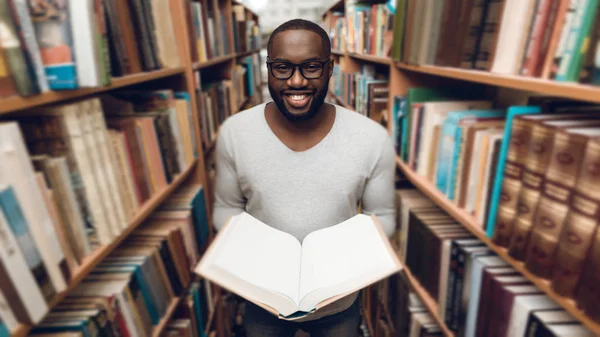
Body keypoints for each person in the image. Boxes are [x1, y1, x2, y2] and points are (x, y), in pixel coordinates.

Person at [212, 18, 396, 337]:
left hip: (339, 303)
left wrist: (349, 265)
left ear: (330, 68)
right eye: (282, 67)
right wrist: (252, 260)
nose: (296, 82)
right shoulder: (235, 133)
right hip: (263, 302)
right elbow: (226, 208)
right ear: (267, 68)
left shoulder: (370, 137)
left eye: (311, 67)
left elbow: (383, 214)